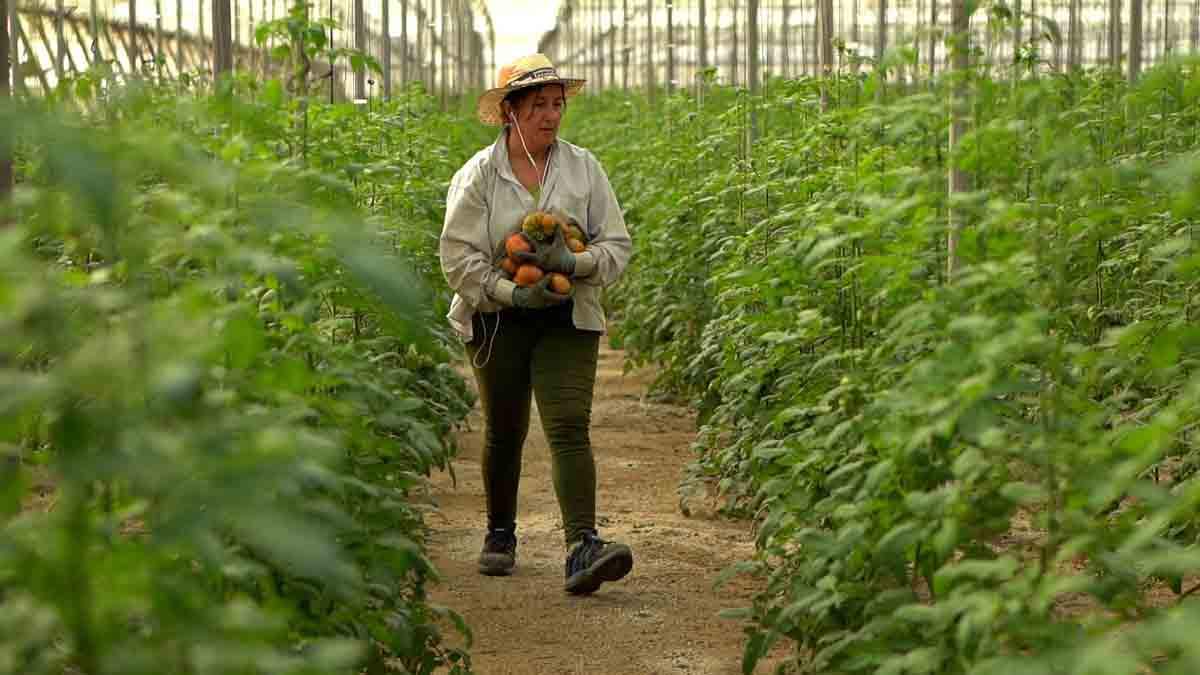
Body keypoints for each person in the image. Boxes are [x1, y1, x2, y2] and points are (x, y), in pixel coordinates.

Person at [438, 54, 634, 595]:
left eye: (556, 105)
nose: (551, 116)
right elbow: (457, 258)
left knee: (569, 425)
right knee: (505, 429)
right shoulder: (479, 174)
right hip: (497, 320)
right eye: (538, 106)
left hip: (568, 315)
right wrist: (509, 292)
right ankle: (500, 533)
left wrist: (574, 263)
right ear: (509, 113)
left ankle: (582, 546)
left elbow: (616, 246)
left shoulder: (583, 168)